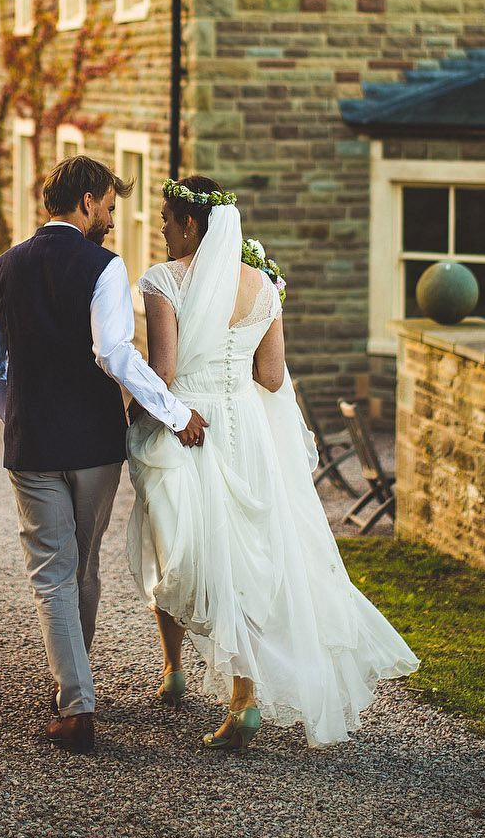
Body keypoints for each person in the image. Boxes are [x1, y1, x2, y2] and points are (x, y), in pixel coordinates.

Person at [126, 175, 419, 752]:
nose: (160, 225)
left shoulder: (163, 282)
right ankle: (242, 696)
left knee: (179, 545)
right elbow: (272, 376)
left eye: (165, 216)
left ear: (190, 223)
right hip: (246, 427)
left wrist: (122, 400)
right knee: (245, 555)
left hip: (189, 426)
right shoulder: (264, 285)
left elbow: (162, 372)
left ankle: (176, 669)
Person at [0, 155, 207, 753]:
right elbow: (115, 353)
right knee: (82, 564)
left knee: (52, 571)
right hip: (96, 446)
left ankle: (74, 698)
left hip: (33, 445)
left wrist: (15, 417)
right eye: (107, 205)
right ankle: (74, 691)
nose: (110, 217)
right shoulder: (104, 267)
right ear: (85, 202)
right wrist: (176, 413)